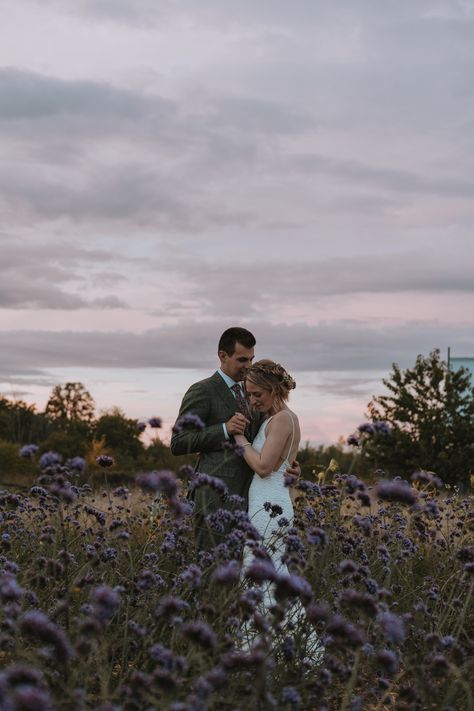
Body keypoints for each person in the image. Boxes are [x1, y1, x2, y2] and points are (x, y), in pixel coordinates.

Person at [170, 327, 301, 550]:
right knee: (213, 570)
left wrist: (288, 465)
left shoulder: (257, 393)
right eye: (242, 359)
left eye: (251, 359)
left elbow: (271, 438)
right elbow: (179, 441)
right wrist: (223, 429)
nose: (248, 366)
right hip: (214, 499)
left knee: (243, 575)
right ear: (223, 356)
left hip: (253, 501)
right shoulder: (203, 391)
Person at [235, 359, 323, 660]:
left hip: (268, 506)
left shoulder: (283, 419)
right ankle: (268, 649)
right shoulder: (279, 419)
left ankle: (271, 652)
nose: (253, 399)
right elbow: (285, 467)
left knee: (265, 575)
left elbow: (263, 466)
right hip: (270, 502)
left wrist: (239, 439)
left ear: (274, 389)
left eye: (258, 393)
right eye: (249, 394)